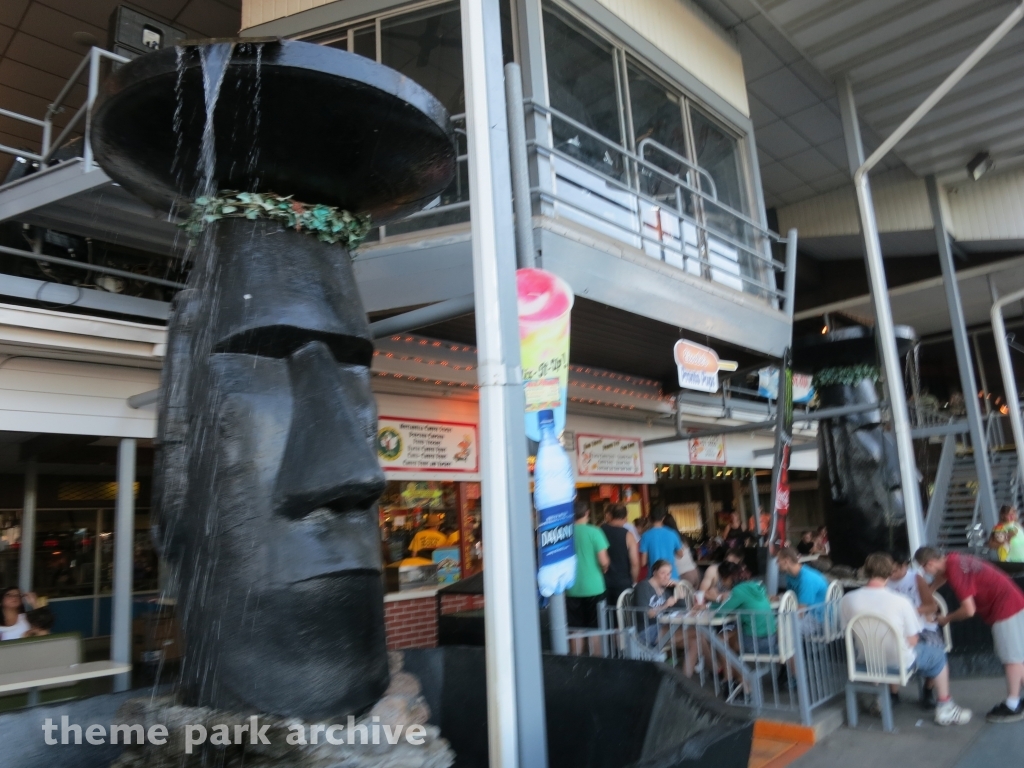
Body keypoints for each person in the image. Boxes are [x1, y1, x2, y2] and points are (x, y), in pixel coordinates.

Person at [841, 553, 971, 726]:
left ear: (866, 571)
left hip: (865, 660)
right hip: (897, 661)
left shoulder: (846, 599)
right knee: (938, 656)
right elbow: (913, 640)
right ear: (889, 573)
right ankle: (945, 706)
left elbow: (846, 632)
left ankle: (885, 697)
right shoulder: (901, 602)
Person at [916, 547, 1024, 722]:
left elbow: (969, 610)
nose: (924, 572)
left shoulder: (956, 572)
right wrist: (930, 589)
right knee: (1017, 656)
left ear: (929, 563)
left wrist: (946, 619)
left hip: (1005, 609)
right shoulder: (952, 559)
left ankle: (1013, 705)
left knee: (1012, 659)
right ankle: (1015, 701)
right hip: (1014, 601)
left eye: (923, 568)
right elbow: (942, 575)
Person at [888, 551, 942, 706]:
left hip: (921, 624)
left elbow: (931, 606)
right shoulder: (886, 581)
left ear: (904, 566)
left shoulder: (916, 578)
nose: (892, 574)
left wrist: (911, 611)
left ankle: (928, 690)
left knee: (936, 647)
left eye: (895, 570)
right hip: (898, 627)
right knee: (890, 648)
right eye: (889, 571)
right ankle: (893, 693)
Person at [715, 561, 776, 655]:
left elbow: (719, 614)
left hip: (756, 642)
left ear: (728, 577)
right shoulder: (755, 586)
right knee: (731, 633)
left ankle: (734, 668)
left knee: (720, 640)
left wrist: (708, 606)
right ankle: (734, 667)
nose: (722, 582)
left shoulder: (738, 591)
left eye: (722, 578)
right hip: (771, 638)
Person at [566, 500, 610, 629]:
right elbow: (604, 561)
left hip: (571, 587)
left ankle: (577, 650)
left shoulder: (566, 533)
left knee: (575, 628)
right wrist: (605, 567)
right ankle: (596, 651)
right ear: (587, 513)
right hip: (594, 586)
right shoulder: (595, 532)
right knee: (595, 628)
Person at [777, 547, 829, 632]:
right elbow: (791, 597)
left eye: (778, 560)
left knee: (782, 629)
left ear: (787, 561)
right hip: (809, 613)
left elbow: (800, 612)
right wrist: (778, 597)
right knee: (778, 625)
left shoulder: (806, 579)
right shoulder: (790, 576)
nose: (776, 563)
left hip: (819, 619)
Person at [601, 504, 639, 604]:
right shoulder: (628, 535)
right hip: (623, 583)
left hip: (602, 581)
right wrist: (634, 581)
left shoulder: (599, 531)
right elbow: (634, 562)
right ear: (626, 517)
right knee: (623, 616)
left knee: (604, 615)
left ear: (609, 515)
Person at [639, 506, 684, 581]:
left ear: (650, 517)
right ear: (663, 517)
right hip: (671, 576)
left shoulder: (645, 535)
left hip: (654, 578)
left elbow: (643, 562)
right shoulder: (672, 533)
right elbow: (681, 555)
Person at [661, 514, 700, 587]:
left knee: (682, 598)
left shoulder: (670, 537)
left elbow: (680, 554)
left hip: (684, 574)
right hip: (694, 571)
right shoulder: (681, 536)